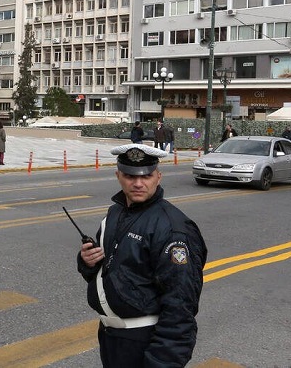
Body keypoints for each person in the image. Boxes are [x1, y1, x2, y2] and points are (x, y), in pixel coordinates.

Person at [76, 143, 207, 367]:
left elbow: (180, 307)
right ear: (118, 176)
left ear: (158, 176)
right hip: (112, 338)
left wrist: (161, 363)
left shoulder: (172, 228)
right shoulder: (115, 213)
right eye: (130, 175)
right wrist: (86, 262)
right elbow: (111, 269)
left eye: (146, 176)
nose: (138, 183)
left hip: (145, 339)